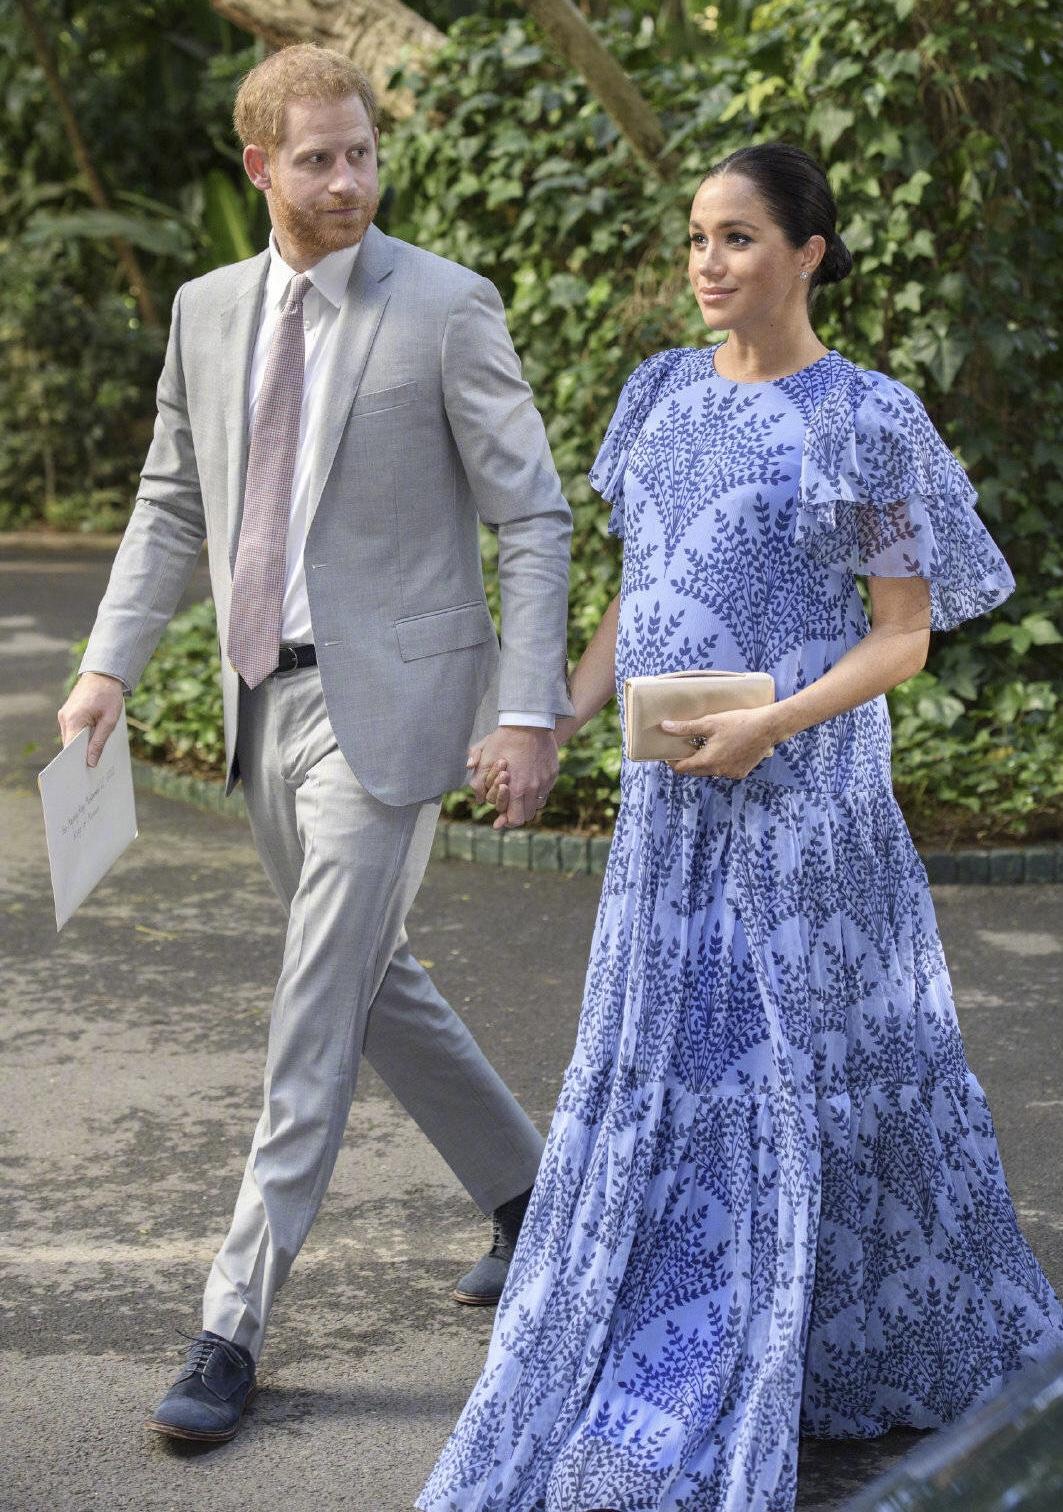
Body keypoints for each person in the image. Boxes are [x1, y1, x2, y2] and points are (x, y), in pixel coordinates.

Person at [420, 143, 1063, 1512]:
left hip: (805, 814)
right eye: (698, 238)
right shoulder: (659, 393)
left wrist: (773, 723)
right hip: (669, 814)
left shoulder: (870, 420)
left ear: (808, 253)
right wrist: (555, 717)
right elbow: (637, 587)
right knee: (678, 1072)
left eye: (739, 238)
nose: (707, 263)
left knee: (801, 1075)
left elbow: (904, 637)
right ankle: (680, 1318)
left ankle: (820, 1342)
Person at [57, 44, 573, 1444]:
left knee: (310, 1002)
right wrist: (106, 666)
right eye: (319, 159)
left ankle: (232, 1322)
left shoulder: (447, 306)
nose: (350, 181)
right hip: (259, 702)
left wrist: (527, 708)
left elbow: (531, 515)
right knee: (366, 979)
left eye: (363, 153)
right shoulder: (206, 311)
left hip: (393, 714)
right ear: (260, 168)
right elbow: (172, 500)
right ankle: (538, 1199)